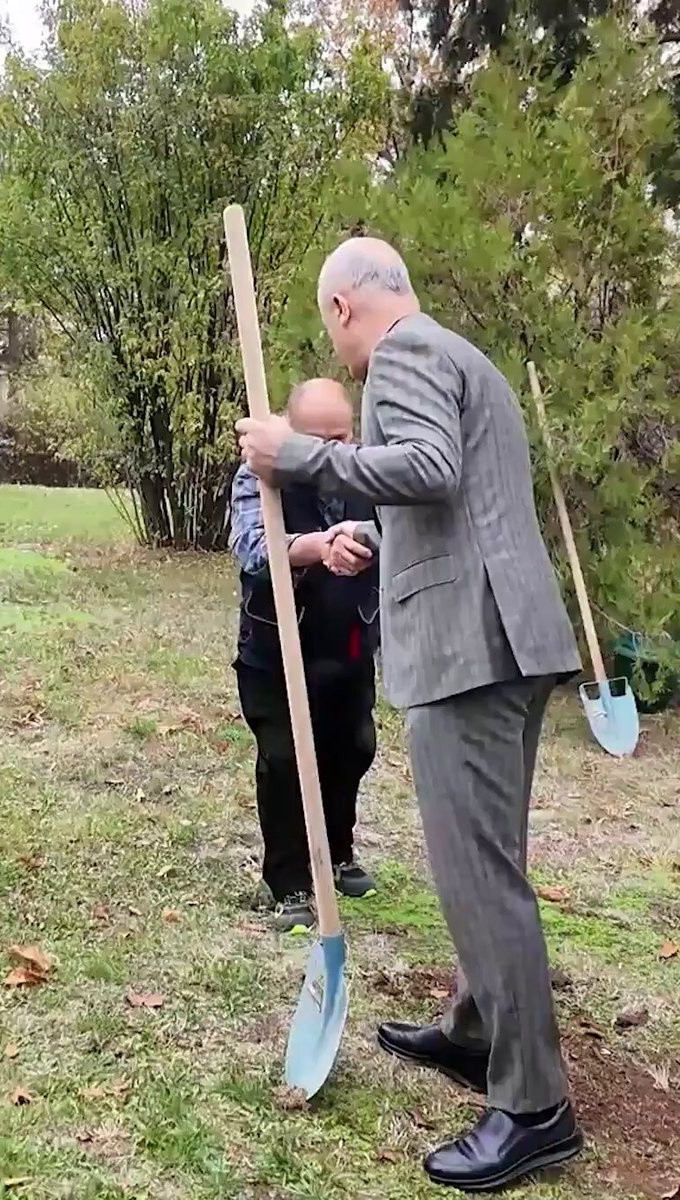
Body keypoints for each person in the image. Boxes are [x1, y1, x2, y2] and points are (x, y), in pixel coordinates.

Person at [235, 239, 584, 1192]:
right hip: (505, 637)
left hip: (470, 652)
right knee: (487, 865)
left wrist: (297, 454)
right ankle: (477, 1031)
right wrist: (369, 539)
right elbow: (456, 503)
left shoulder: (406, 354)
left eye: (328, 324)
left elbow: (426, 464)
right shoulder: (469, 361)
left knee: (480, 878)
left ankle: (533, 1107)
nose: (337, 346)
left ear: (347, 308)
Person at [230, 378, 381, 933]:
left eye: (340, 438)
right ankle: (289, 879)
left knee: (354, 748)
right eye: (316, 440)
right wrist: (317, 548)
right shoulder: (260, 475)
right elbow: (251, 548)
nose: (329, 454)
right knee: (286, 759)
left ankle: (337, 852)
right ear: (291, 433)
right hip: (276, 648)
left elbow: (396, 532)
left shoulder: (365, 469)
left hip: (347, 643)